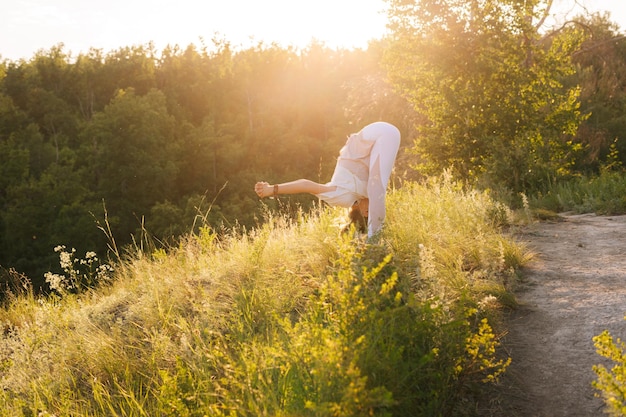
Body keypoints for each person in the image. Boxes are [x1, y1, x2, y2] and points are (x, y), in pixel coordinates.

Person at [255, 121, 401, 238]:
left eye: (369, 212)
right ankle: (374, 240)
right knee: (376, 190)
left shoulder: (342, 198)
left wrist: (272, 190)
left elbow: (307, 185)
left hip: (374, 135)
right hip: (379, 136)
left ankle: (374, 241)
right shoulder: (365, 193)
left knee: (376, 191)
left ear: (365, 213)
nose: (372, 208)